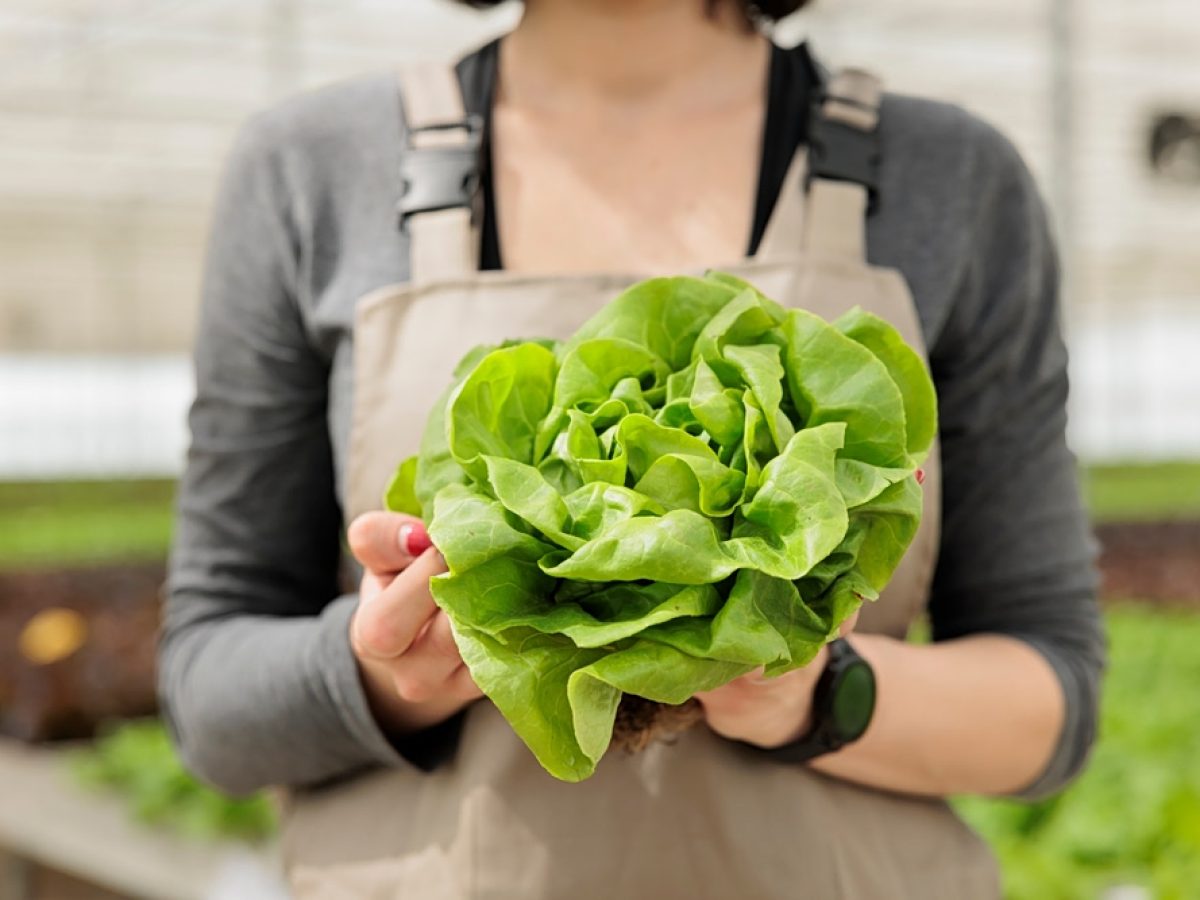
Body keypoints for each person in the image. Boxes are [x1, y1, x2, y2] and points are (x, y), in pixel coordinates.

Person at [160, 0, 1105, 896]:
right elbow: (210, 691)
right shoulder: (312, 169)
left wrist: (812, 694)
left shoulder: (952, 178)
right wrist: (392, 673)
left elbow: (1050, 698)